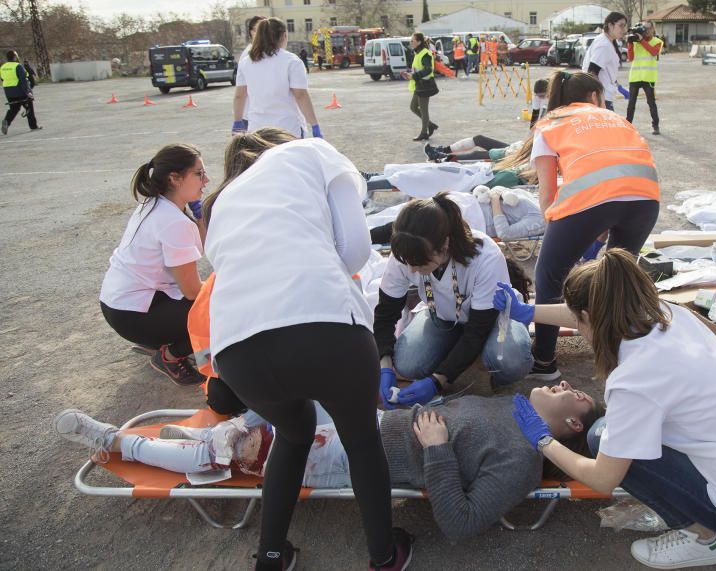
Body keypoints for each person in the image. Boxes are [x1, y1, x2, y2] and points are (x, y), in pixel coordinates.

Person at [494, 250, 716, 570]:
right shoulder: (666, 313)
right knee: (622, 434)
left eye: (579, 318)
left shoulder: (635, 378)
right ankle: (702, 512)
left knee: (602, 436)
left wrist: (544, 440)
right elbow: (585, 313)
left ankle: (703, 540)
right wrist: (527, 312)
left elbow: (603, 479)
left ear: (589, 317)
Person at [202, 133, 411, 570]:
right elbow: (354, 251)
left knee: (292, 435)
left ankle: (272, 555)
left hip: (238, 349)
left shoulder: (222, 201)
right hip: (324, 328)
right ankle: (382, 554)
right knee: (360, 439)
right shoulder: (312, 151)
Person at [55, 381, 599, 542]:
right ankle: (231, 428)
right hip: (365, 417)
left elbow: (461, 523)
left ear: (572, 426)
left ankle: (113, 441)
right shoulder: (513, 406)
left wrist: (436, 453)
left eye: (577, 396)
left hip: (350, 457)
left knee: (241, 451)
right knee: (293, 388)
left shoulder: (523, 461)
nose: (568, 384)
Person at [529, 71, 660, 380]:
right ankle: (623, 354)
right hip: (646, 198)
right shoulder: (616, 119)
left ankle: (544, 362)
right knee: (618, 278)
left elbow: (548, 195)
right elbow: (618, 177)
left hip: (594, 201)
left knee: (549, 274)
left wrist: (561, 240)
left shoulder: (550, 124)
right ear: (593, 97)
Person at [373, 194, 533, 407]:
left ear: (445, 244)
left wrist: (437, 381)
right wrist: (384, 365)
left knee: (510, 359)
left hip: (493, 320)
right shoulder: (406, 254)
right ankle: (456, 356)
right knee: (407, 363)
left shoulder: (485, 257)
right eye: (408, 263)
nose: (412, 269)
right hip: (442, 316)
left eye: (420, 263)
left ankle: (493, 376)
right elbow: (385, 314)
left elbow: (477, 330)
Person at [99, 145, 208, 386]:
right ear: (174, 178)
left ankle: (157, 339)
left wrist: (199, 216)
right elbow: (192, 290)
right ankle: (169, 356)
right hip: (132, 315)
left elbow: (197, 248)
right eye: (199, 174)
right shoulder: (173, 221)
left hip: (118, 306)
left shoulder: (155, 204)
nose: (206, 180)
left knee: (207, 297)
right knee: (218, 308)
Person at [231, 17, 322, 140]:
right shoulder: (291, 61)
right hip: (287, 128)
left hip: (258, 129)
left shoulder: (246, 62)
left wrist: (237, 121)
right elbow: (300, 95)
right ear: (283, 36)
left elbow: (239, 96)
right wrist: (314, 125)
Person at [582, 12, 628, 111]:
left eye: (624, 26)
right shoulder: (604, 45)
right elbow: (592, 72)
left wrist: (618, 86)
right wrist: (598, 100)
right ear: (610, 25)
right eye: (621, 26)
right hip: (601, 99)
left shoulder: (609, 41)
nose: (623, 30)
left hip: (604, 96)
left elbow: (607, 71)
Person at [400, 32, 440, 142]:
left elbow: (428, 69)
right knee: (413, 107)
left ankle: (424, 133)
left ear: (419, 42)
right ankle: (430, 125)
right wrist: (410, 74)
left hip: (425, 85)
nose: (411, 43)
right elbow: (418, 68)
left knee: (423, 110)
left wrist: (414, 75)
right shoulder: (418, 53)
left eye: (412, 41)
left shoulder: (425, 54)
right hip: (419, 84)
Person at [626, 22, 663, 134]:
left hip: (648, 77)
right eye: (643, 28)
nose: (645, 30)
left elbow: (653, 52)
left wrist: (642, 41)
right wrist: (630, 44)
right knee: (631, 103)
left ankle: (655, 125)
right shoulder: (636, 41)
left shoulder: (657, 41)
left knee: (651, 102)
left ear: (653, 29)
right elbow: (630, 58)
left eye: (647, 28)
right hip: (635, 77)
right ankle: (628, 126)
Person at [1, 50, 40, 134]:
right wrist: (28, 92)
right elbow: (23, 80)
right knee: (29, 107)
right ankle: (33, 126)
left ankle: (6, 121)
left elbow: (2, 79)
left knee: (13, 108)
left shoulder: (3, 67)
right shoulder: (18, 66)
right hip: (20, 91)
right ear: (15, 57)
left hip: (9, 92)